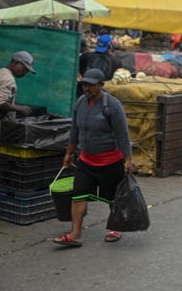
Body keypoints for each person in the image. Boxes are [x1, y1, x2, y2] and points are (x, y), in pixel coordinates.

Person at [52, 68, 134, 247]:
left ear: (102, 85)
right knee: (78, 195)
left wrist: (128, 159)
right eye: (84, 84)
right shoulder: (80, 103)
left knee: (113, 197)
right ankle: (75, 235)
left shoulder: (112, 105)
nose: (86, 88)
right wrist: (69, 153)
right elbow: (75, 130)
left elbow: (122, 134)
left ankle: (116, 227)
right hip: (86, 160)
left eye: (91, 85)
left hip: (110, 161)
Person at [0, 51, 36, 212]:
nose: (24, 73)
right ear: (16, 63)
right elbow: (0, 103)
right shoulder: (8, 78)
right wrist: (20, 108)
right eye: (24, 69)